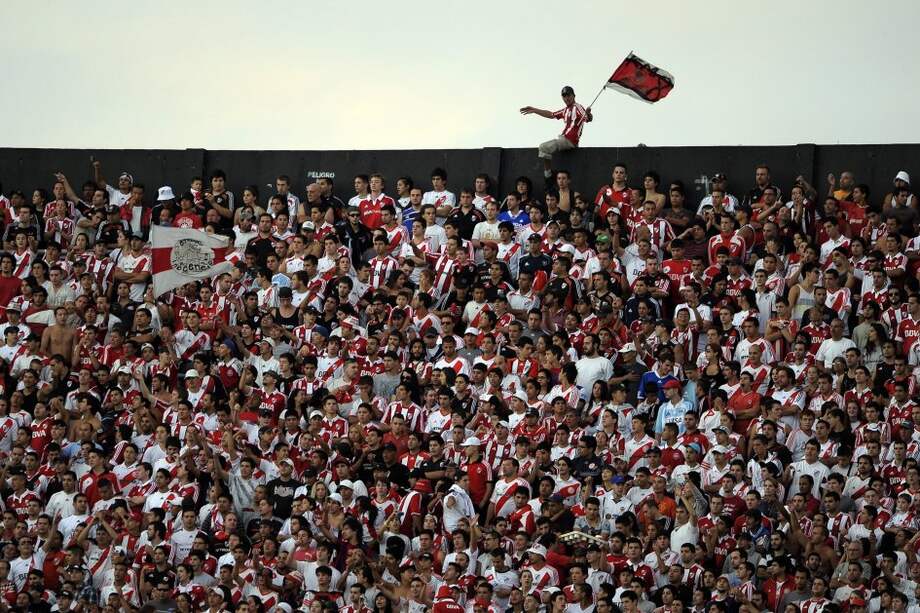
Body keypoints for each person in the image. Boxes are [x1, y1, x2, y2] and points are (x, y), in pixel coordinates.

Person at [520, 86, 593, 177]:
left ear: (574, 96)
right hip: (564, 139)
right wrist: (535, 110)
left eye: (568, 95)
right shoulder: (565, 110)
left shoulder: (577, 107)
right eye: (564, 96)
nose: (566, 98)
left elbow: (588, 118)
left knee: (543, 147)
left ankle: (548, 176)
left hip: (569, 140)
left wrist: (589, 114)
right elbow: (551, 114)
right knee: (547, 146)